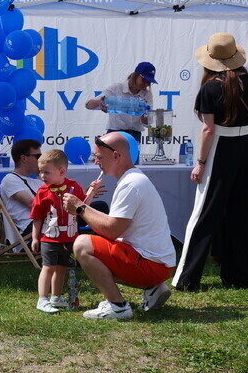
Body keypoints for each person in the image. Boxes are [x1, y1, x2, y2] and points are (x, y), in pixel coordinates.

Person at [173, 33, 248, 291]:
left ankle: (187, 278)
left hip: (221, 150)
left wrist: (200, 162)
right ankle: (247, 277)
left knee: (204, 214)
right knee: (247, 212)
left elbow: (208, 130)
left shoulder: (211, 87)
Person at [62, 131, 177, 320]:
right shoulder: (133, 179)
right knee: (96, 247)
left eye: (99, 157)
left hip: (152, 265)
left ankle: (118, 306)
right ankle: (153, 289)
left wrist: (81, 208)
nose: (95, 162)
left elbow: (112, 230)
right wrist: (82, 207)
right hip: (158, 263)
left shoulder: (131, 184)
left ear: (115, 156)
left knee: (82, 244)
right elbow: (113, 225)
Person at [29, 148, 87, 313]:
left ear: (62, 171)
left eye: (46, 172)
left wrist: (92, 192)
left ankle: (56, 297)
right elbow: (37, 216)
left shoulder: (74, 187)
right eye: (40, 172)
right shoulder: (42, 191)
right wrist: (35, 238)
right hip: (49, 238)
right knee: (48, 267)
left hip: (69, 237)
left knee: (62, 267)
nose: (42, 176)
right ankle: (42, 299)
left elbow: (83, 207)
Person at [85, 62, 157, 141]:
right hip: (115, 133)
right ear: (136, 75)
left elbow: (148, 123)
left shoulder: (147, 95)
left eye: (149, 82)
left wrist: (143, 113)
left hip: (135, 135)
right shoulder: (116, 88)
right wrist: (99, 103)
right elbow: (88, 105)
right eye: (144, 80)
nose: (146, 84)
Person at [0, 137, 43, 241]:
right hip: (32, 225)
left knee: (82, 208)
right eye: (38, 156)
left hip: (47, 221)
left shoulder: (38, 181)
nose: (41, 160)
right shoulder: (10, 179)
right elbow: (32, 204)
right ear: (24, 158)